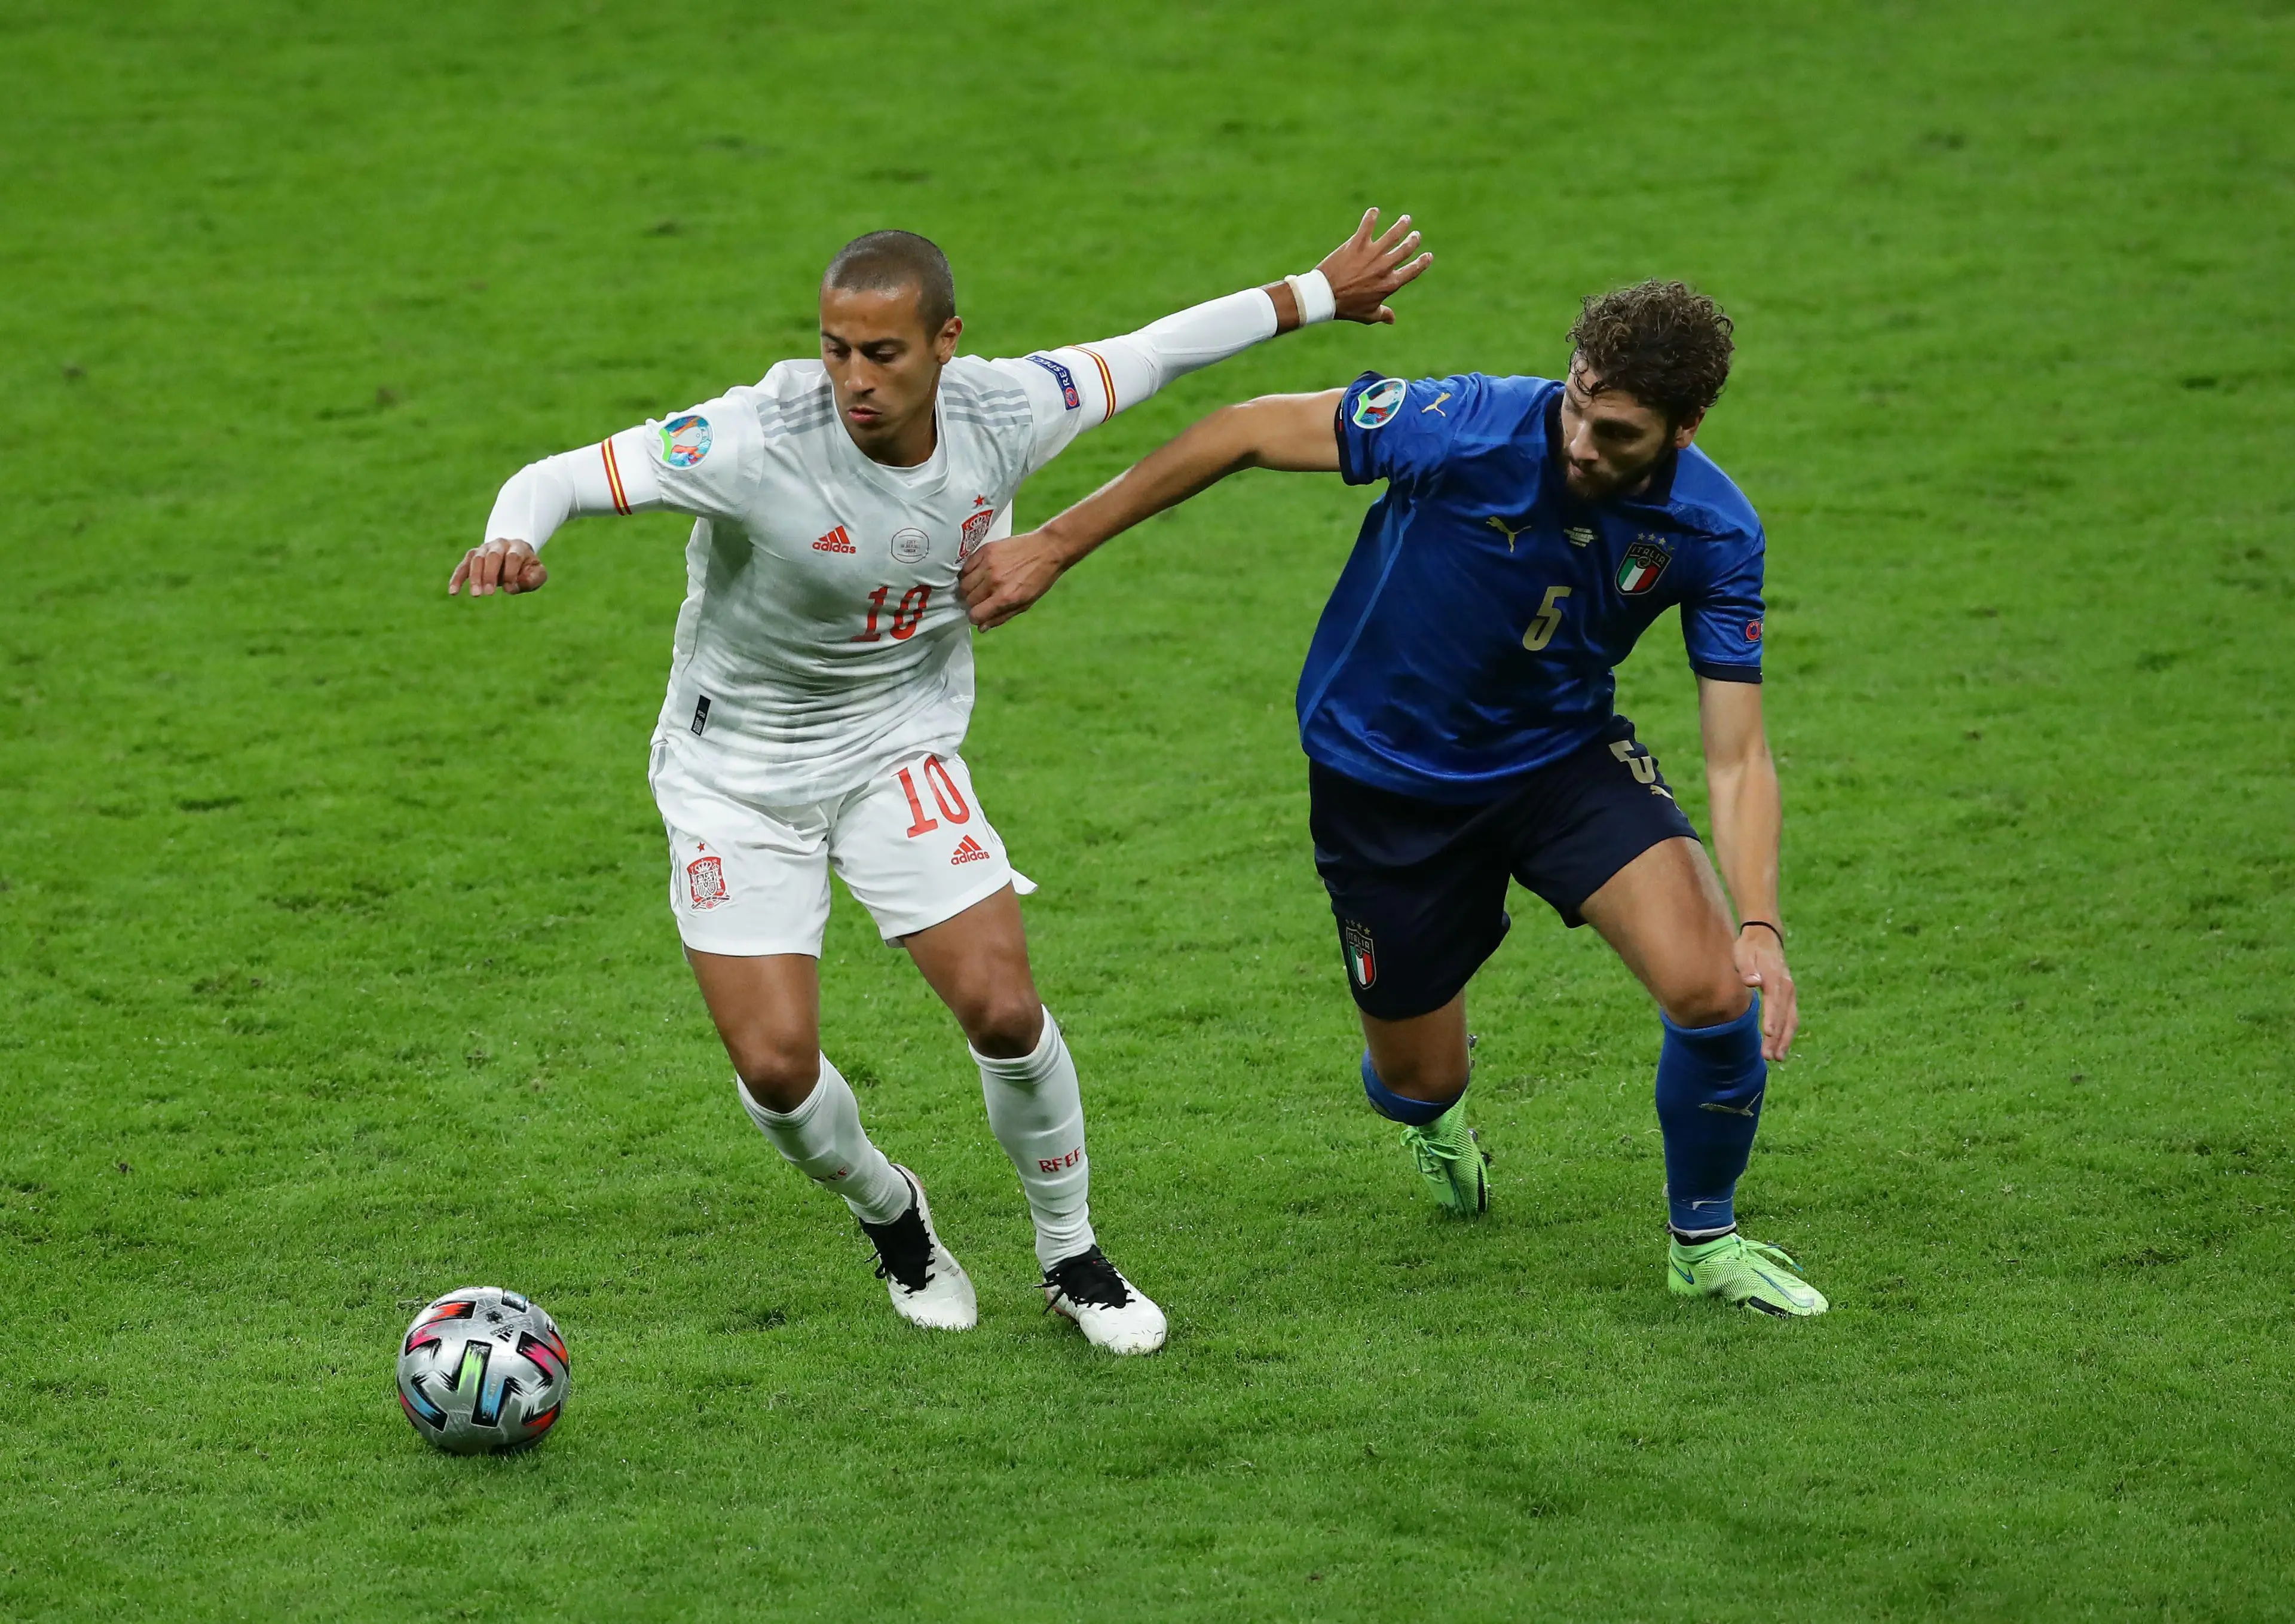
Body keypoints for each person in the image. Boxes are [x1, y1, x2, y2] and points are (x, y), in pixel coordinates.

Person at [450, 213, 1434, 1353]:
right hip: (737, 779)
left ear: (945, 343)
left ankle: (1072, 1256)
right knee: (776, 1071)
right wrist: (514, 535)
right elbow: (560, 475)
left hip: (894, 746)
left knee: (1006, 1010)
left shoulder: (1006, 408)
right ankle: (894, 1215)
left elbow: (1157, 348)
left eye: (883, 354)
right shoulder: (751, 436)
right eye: (835, 349)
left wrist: (1317, 290)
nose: (853, 380)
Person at [959, 279, 1826, 1317]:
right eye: (1578, 401)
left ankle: (1706, 1239)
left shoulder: (1713, 530)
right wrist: (1054, 543)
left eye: (1617, 429)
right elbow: (1241, 431)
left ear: (1685, 428)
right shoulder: (1460, 424)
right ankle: (1437, 1120)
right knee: (1417, 1078)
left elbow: (1737, 756)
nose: (1582, 440)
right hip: (1385, 784)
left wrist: (1763, 925)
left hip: (1559, 761)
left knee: (1712, 989)